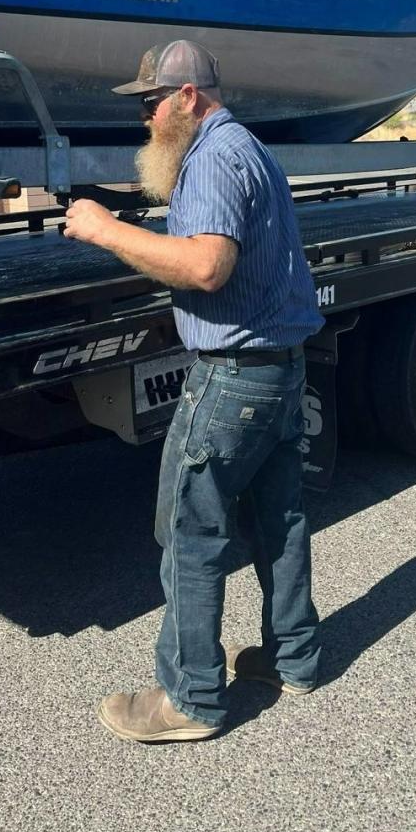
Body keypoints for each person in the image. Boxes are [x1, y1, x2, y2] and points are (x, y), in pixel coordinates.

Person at [64, 39, 324, 743]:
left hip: (233, 378)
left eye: (151, 102)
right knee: (280, 520)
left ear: (187, 98)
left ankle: (191, 699)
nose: (145, 117)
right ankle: (294, 656)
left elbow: (207, 266)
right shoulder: (244, 145)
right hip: (278, 369)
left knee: (187, 529)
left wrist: (105, 229)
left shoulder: (209, 156)